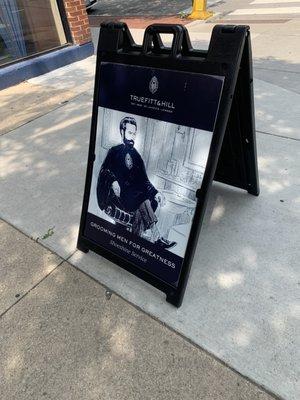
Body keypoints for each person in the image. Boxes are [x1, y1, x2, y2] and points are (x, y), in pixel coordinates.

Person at [97, 116, 176, 250]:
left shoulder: (137, 156)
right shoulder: (114, 151)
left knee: (147, 200)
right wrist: (113, 180)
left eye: (134, 133)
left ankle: (135, 240)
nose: (132, 136)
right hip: (118, 198)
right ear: (122, 132)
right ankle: (157, 238)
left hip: (134, 198)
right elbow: (104, 171)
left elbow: (144, 180)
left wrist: (156, 193)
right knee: (141, 198)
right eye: (129, 133)